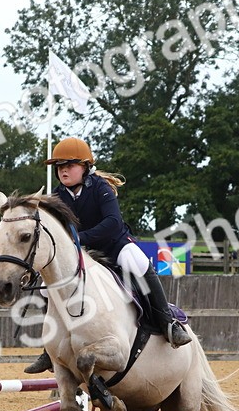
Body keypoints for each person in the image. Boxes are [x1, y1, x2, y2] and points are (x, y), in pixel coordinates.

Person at [24, 136, 190, 374]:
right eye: (59, 167)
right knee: (43, 289)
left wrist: (78, 239)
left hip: (114, 245)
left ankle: (167, 323)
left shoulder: (100, 188)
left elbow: (113, 223)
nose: (63, 171)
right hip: (82, 254)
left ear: (85, 167)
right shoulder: (57, 196)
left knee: (138, 261)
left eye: (69, 165)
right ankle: (49, 350)